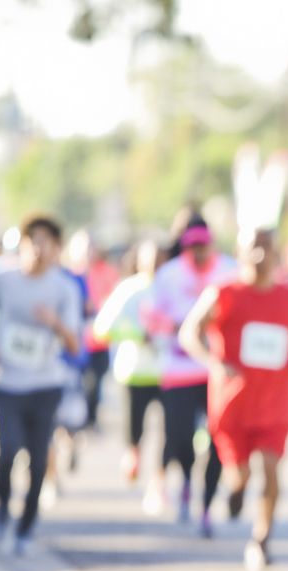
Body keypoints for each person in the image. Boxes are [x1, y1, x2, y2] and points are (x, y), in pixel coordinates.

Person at [179, 227, 288, 571]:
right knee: (238, 475)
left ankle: (261, 539)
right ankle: (236, 489)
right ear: (239, 253)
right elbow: (189, 332)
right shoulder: (223, 292)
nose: (260, 255)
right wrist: (214, 362)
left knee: (270, 469)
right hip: (232, 403)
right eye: (253, 248)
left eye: (266, 247)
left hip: (275, 400)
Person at [0, 213, 84, 555]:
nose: (38, 248)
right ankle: (2, 509)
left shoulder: (64, 288)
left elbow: (75, 345)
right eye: (33, 240)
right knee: (7, 450)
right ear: (22, 244)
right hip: (8, 382)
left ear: (56, 249)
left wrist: (54, 324)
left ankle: (26, 527)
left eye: (46, 241)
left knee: (38, 459)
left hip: (45, 384)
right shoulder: (2, 279)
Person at [146, 220, 239, 528]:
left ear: (212, 245)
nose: (198, 253)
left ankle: (208, 504)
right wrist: (172, 327)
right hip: (178, 370)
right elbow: (150, 316)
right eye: (192, 248)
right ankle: (185, 483)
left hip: (216, 370)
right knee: (179, 436)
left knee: (217, 438)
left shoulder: (228, 269)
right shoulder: (169, 274)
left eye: (204, 247)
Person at [94, 240, 165, 491]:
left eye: (160, 256)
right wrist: (137, 334)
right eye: (150, 257)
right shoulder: (129, 289)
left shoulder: (173, 286)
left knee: (171, 434)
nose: (155, 262)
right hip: (134, 372)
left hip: (168, 373)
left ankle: (160, 480)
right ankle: (133, 458)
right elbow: (102, 328)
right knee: (135, 432)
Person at [66, 230, 122, 432]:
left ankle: (91, 418)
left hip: (99, 339)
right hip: (75, 340)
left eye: (90, 247)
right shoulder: (67, 275)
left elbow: (114, 299)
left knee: (95, 381)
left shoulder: (107, 272)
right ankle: (75, 422)